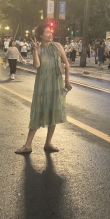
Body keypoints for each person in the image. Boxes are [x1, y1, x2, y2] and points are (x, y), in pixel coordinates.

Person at [15, 23, 71, 154]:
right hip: (42, 86)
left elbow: (67, 64)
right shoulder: (38, 49)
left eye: (51, 31)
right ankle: (28, 144)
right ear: (40, 35)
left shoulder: (57, 46)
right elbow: (36, 65)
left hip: (57, 84)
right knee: (38, 112)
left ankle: (48, 142)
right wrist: (35, 50)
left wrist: (67, 81)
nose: (50, 34)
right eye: (47, 32)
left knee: (54, 111)